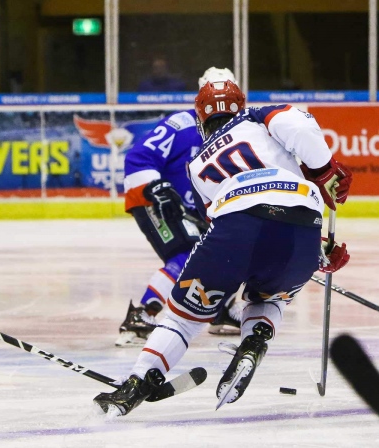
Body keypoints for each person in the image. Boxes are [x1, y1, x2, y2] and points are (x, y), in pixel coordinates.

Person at [94, 80, 352, 416]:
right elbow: (298, 126)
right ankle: (254, 340)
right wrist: (323, 170)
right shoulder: (259, 118)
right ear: (240, 106)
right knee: (270, 297)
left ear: (201, 118)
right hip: (302, 229)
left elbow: (229, 224)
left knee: (184, 319)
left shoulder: (197, 164)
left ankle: (137, 383)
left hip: (235, 226)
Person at [116, 67, 243, 347]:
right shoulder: (181, 124)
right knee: (186, 256)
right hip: (155, 199)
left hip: (192, 210)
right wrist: (157, 188)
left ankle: (221, 309)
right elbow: (138, 159)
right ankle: (144, 313)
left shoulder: (241, 132)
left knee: (227, 252)